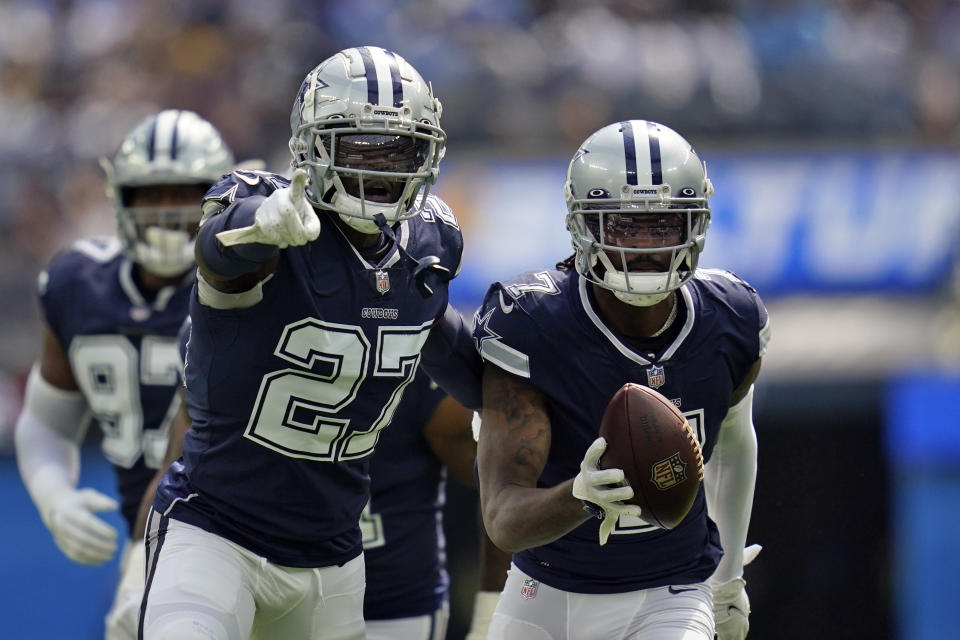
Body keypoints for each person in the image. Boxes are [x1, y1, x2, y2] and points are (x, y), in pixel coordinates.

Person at [140, 46, 473, 640]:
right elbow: (218, 252)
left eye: (400, 148)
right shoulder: (271, 212)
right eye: (359, 146)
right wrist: (260, 228)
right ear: (311, 147)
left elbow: (452, 351)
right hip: (216, 532)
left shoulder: (431, 243)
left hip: (333, 556)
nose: (382, 166)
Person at [473, 120, 769, 640]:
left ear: (696, 223)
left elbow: (732, 444)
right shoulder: (533, 322)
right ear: (583, 225)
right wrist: (580, 496)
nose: (645, 248)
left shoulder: (731, 317)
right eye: (625, 226)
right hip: (545, 593)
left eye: (664, 227)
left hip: (672, 594)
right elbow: (502, 518)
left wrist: (726, 582)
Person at [13, 109, 235, 640]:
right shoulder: (77, 282)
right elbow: (47, 420)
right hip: (147, 539)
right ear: (120, 198)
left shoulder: (253, 286)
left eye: (186, 193)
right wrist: (54, 496)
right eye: (151, 194)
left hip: (239, 530)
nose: (168, 211)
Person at [362, 368, 509, 640]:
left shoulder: (415, 358)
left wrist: (491, 610)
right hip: (272, 575)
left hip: (393, 604)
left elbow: (500, 479)